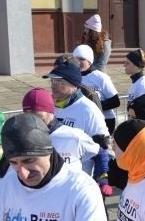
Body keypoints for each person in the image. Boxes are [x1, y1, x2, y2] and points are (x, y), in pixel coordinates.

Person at [44, 60, 112, 196]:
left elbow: (103, 148)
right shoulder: (50, 106)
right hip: (53, 182)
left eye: (59, 82)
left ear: (74, 85)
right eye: (52, 82)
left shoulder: (88, 110)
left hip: (81, 185)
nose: (53, 86)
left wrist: (101, 178)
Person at [22, 88, 100, 173]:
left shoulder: (73, 136)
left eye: (35, 113)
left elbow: (100, 153)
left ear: (50, 111)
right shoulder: (21, 138)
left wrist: (102, 178)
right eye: (26, 113)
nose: (31, 118)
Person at [74, 44, 121, 134]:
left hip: (105, 120)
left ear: (90, 61)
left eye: (82, 59)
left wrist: (94, 106)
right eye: (76, 59)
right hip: (84, 120)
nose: (78, 62)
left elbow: (115, 101)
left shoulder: (100, 77)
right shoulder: (73, 77)